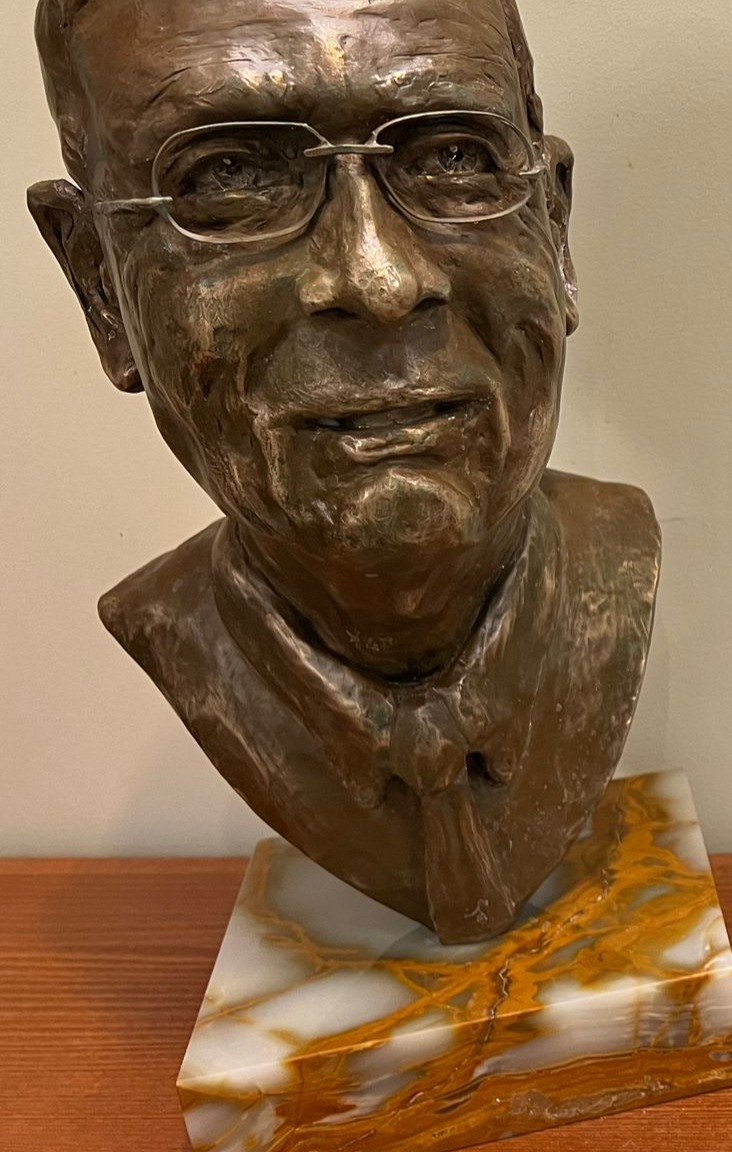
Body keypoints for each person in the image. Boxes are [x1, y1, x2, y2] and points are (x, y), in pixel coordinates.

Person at [28, 0, 658, 943]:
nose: (379, 279)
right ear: (98, 286)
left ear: (554, 225)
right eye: (229, 176)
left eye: (453, 158)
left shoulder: (617, 572)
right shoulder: (172, 630)